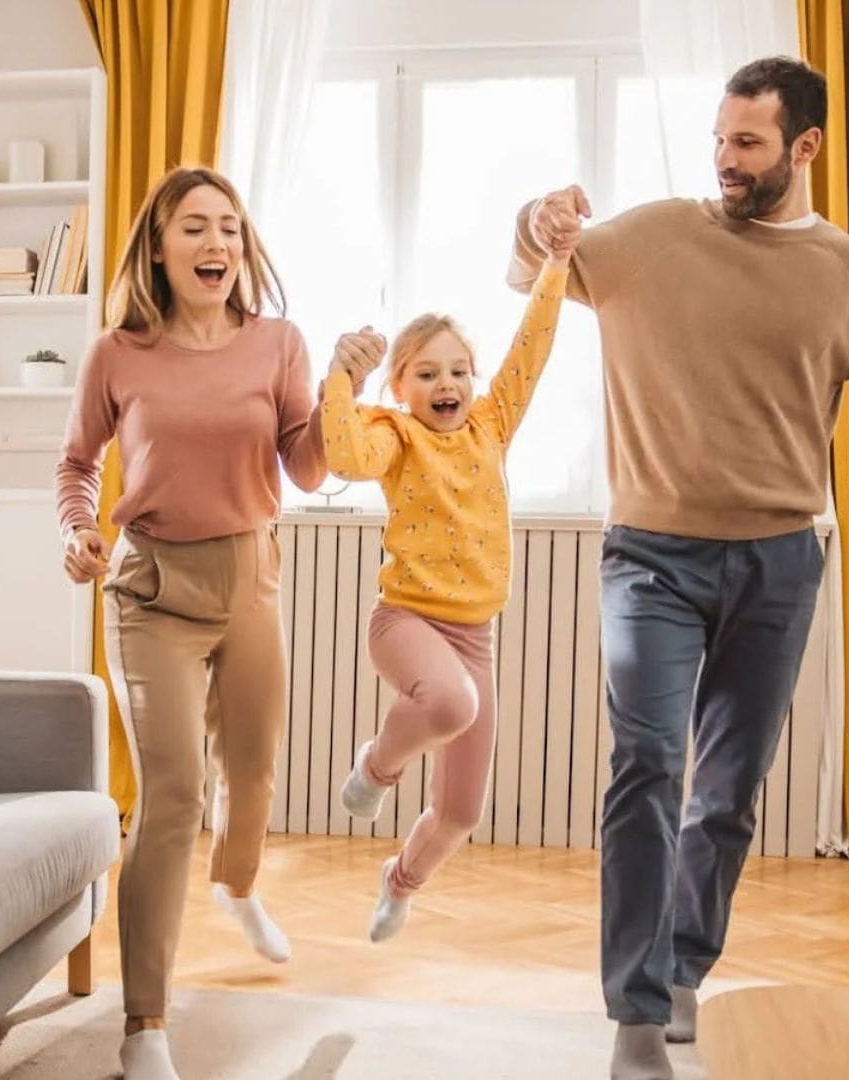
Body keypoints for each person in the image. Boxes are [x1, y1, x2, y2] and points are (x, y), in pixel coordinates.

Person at [507, 57, 849, 1080]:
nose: (725, 161)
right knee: (648, 763)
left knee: (728, 791)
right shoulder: (656, 235)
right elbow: (536, 265)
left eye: (748, 144)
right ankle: (631, 1008)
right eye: (719, 139)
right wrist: (536, 222)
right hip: (650, 559)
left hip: (781, 562)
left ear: (804, 148)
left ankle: (679, 973)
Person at [55, 166, 327, 1080]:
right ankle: (145, 1028)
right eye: (195, 229)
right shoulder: (116, 354)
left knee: (249, 773)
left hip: (252, 579)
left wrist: (342, 399)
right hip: (151, 591)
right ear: (160, 248)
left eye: (230, 229)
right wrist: (76, 531)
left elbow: (309, 468)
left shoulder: (278, 342)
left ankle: (238, 883)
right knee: (171, 800)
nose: (217, 244)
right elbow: (77, 466)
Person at [321, 238, 574, 943]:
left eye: (459, 371)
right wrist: (338, 381)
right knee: (449, 702)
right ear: (399, 387)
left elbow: (532, 350)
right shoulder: (394, 436)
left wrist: (555, 264)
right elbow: (343, 453)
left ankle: (401, 881)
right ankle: (376, 766)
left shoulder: (492, 425)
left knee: (462, 811)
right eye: (427, 373)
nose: (447, 384)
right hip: (404, 622)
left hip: (475, 637)